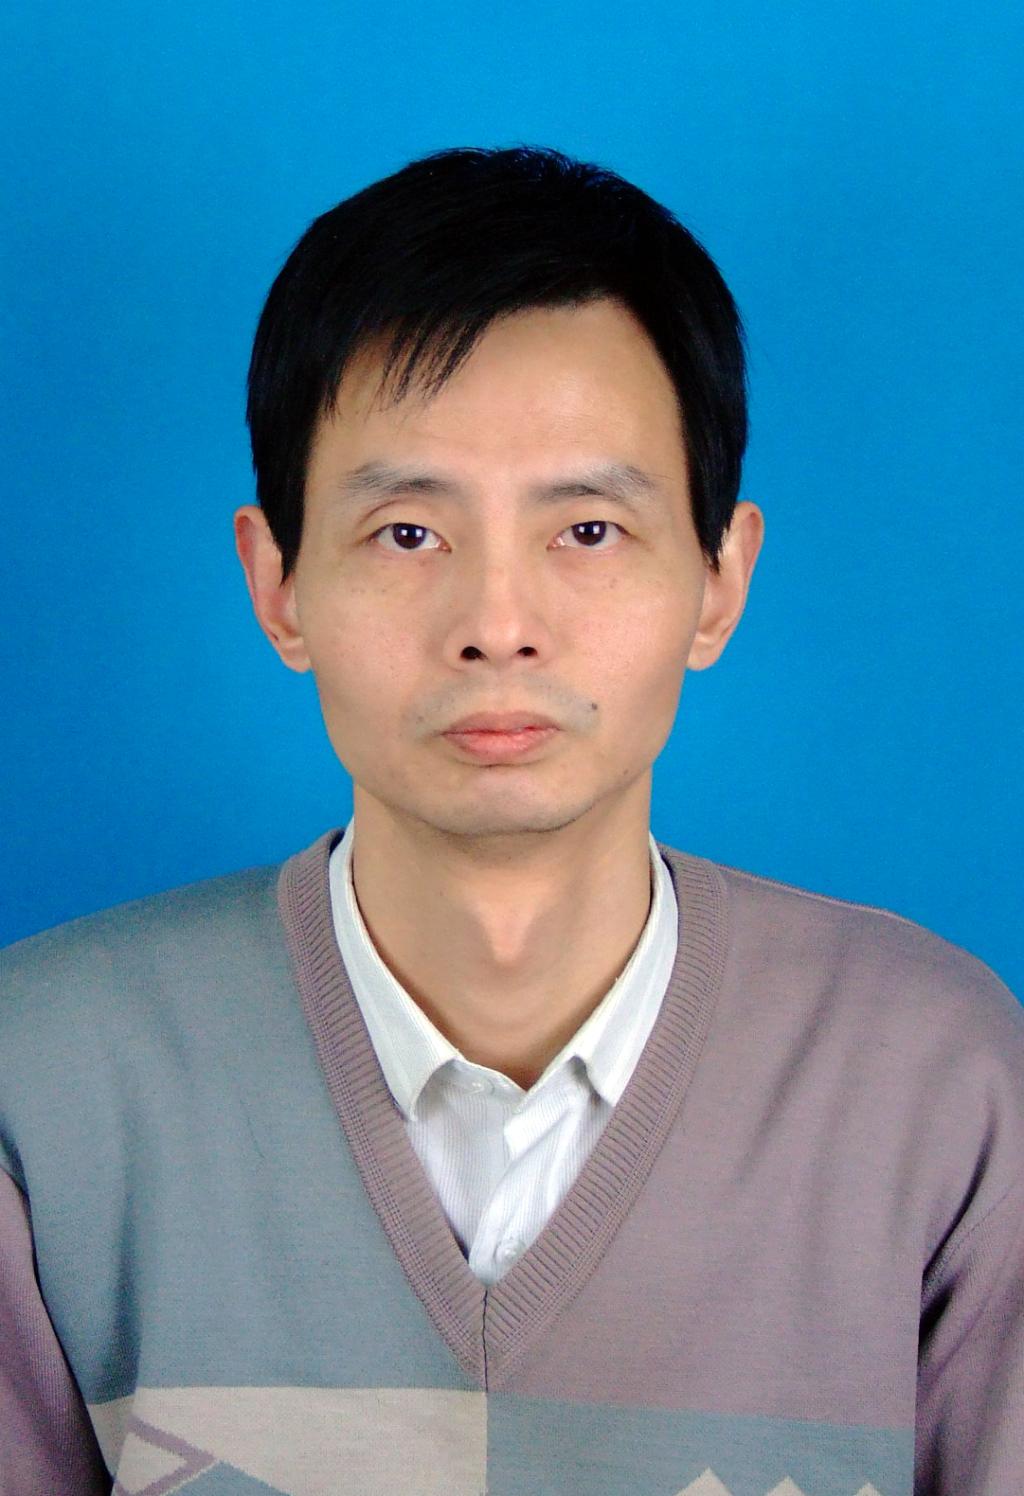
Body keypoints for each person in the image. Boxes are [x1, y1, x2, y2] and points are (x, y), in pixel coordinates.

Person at [1, 145, 1021, 1496]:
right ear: (279, 583)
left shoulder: (942, 1086)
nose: (497, 625)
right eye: (408, 533)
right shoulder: (40, 1087)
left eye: (587, 530)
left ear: (719, 581)